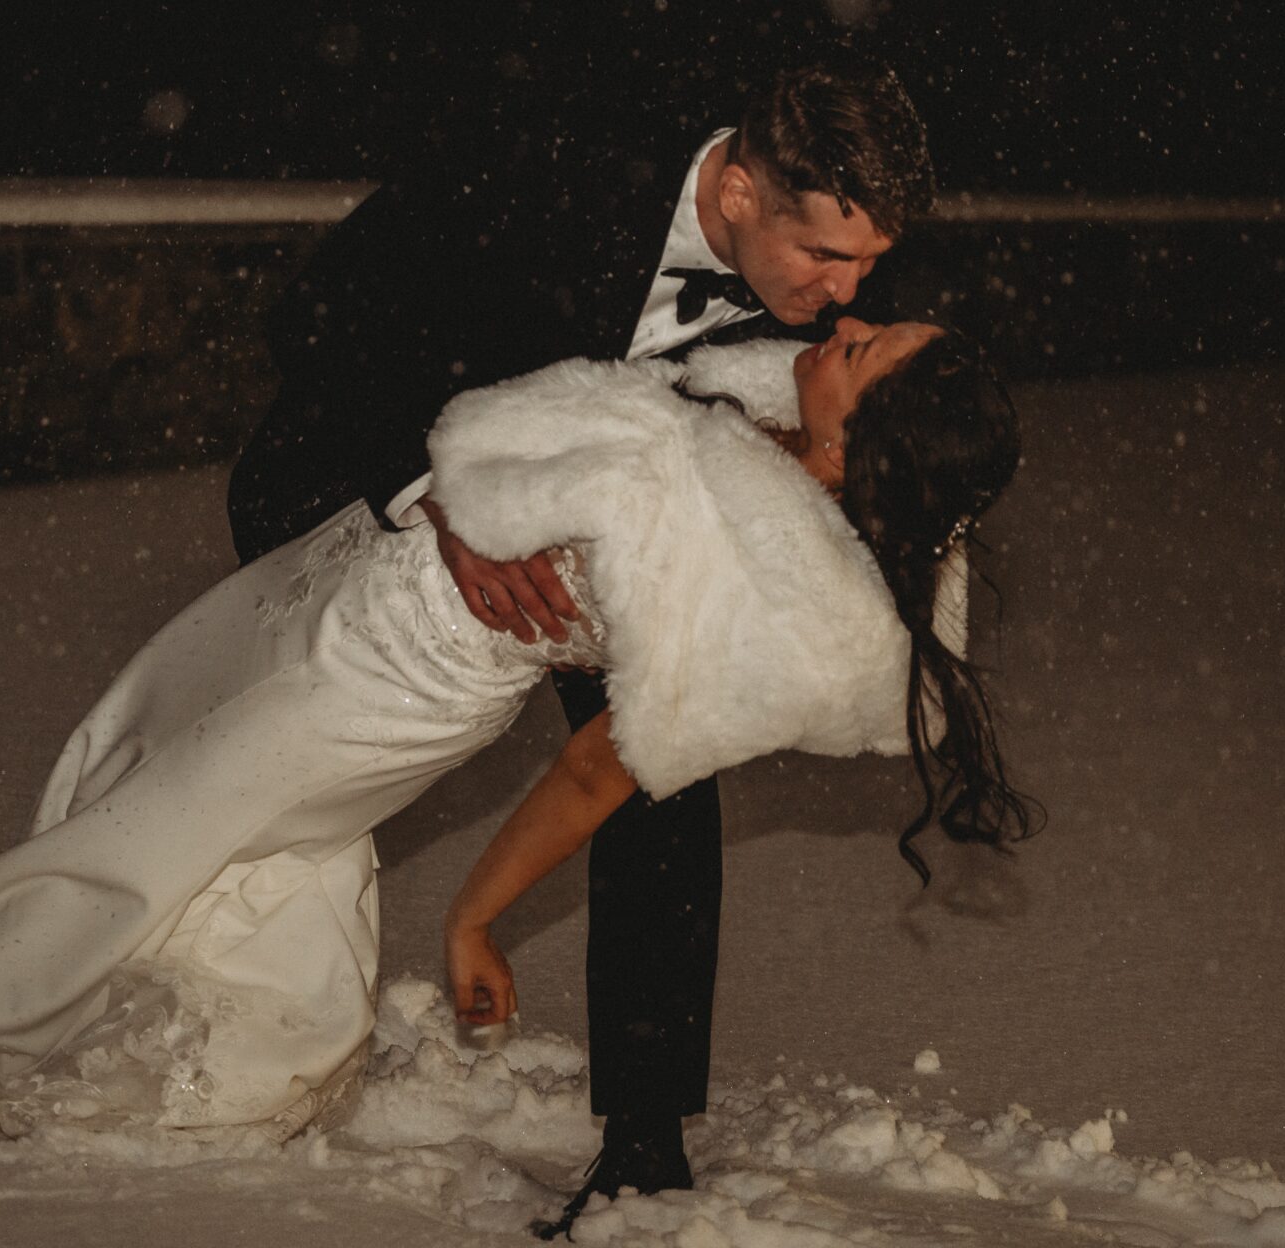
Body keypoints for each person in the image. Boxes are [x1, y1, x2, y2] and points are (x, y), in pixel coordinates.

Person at [0, 324, 1030, 1212]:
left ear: (875, 436)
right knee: (176, 749)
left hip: (392, 683)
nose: (843, 327)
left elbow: (597, 777)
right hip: (344, 579)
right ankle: (166, 1005)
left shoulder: (755, 589)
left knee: (170, 826)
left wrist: (474, 916)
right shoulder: (776, 422)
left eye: (869, 348)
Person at [227, 56, 938, 1225]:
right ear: (743, 191)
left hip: (585, 534)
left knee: (662, 753)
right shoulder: (545, 167)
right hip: (348, 493)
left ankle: (646, 1145)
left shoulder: (804, 312)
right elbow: (314, 316)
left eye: (871, 264)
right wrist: (435, 492)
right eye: (827, 256)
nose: (849, 292)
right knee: (281, 781)